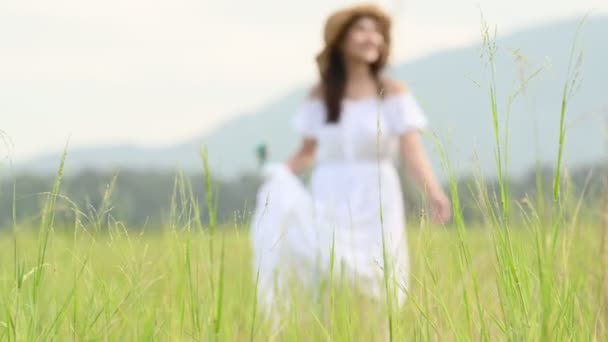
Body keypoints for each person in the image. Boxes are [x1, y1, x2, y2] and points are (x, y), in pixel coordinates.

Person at [250, 3, 451, 332]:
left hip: (378, 197)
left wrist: (434, 192)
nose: (371, 37)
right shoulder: (321, 96)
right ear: (341, 40)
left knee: (380, 279)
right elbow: (306, 152)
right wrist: (277, 176)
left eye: (377, 31)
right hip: (330, 193)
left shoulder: (394, 93)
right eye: (361, 29)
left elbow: (412, 152)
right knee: (329, 274)